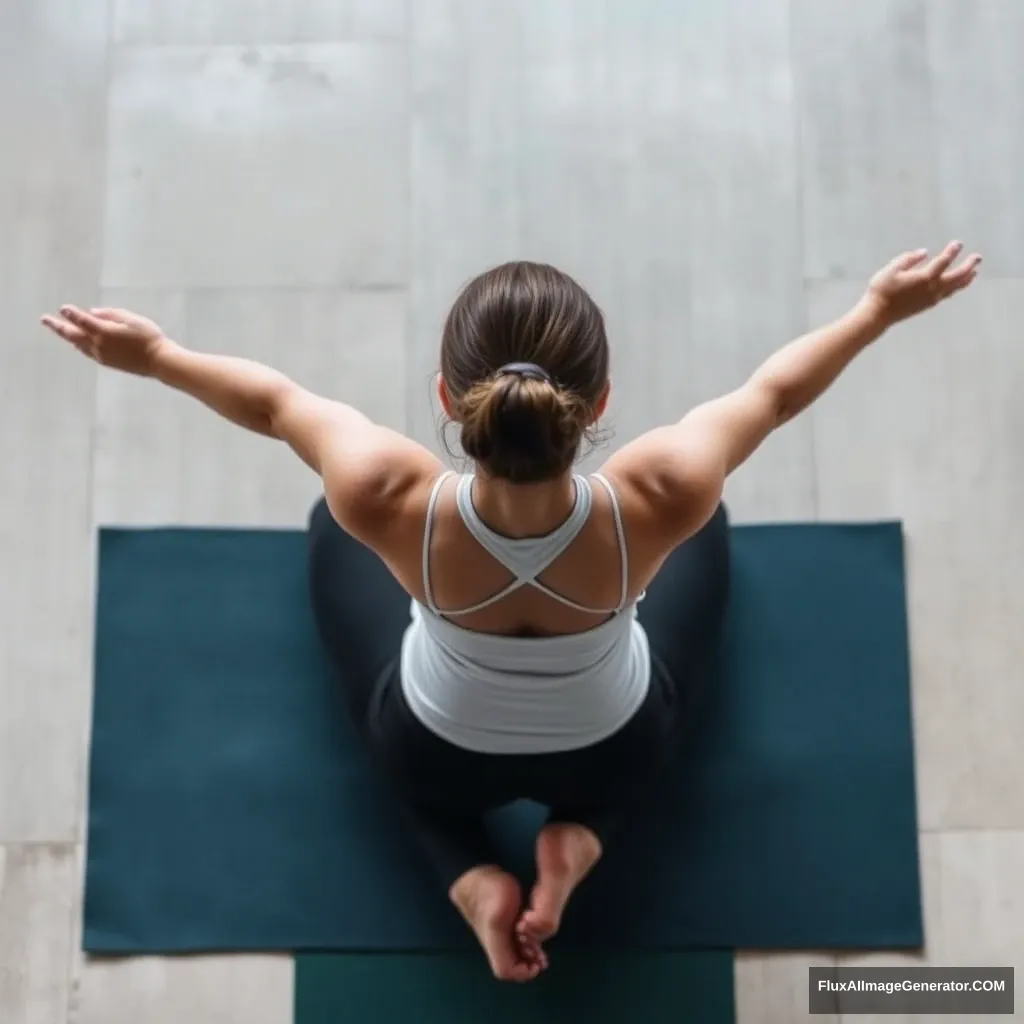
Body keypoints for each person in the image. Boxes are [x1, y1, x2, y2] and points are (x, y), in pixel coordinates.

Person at [42, 241, 980, 981]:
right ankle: (583, 837)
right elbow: (773, 397)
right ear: (597, 403)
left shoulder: (381, 492)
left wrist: (157, 355)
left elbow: (274, 406)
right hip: (614, 743)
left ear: (450, 401)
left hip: (438, 749)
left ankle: (472, 876)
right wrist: (876, 311)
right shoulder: (661, 493)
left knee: (329, 535)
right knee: (713, 527)